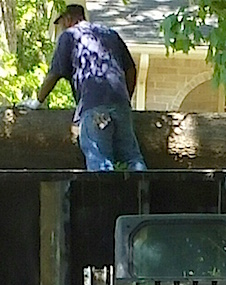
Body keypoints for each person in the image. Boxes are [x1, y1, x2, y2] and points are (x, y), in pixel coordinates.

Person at [23, 4, 147, 171]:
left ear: (68, 19)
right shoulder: (109, 34)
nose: (61, 28)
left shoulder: (69, 36)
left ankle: (103, 197)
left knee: (100, 162)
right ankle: (143, 195)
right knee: (132, 157)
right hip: (121, 105)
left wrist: (37, 102)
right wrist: (125, 99)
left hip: (94, 108)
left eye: (61, 24)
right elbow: (131, 69)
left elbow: (54, 73)